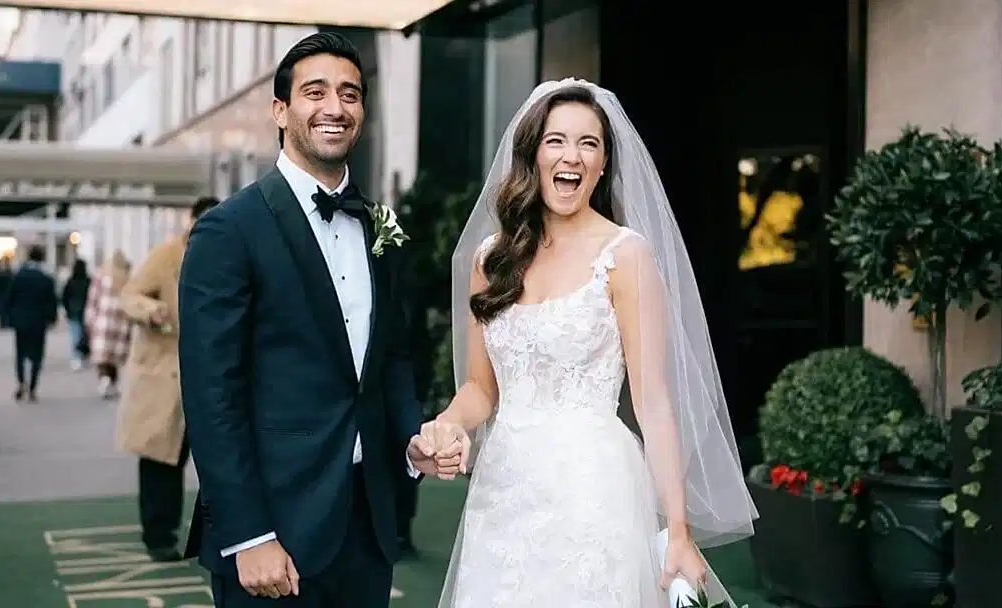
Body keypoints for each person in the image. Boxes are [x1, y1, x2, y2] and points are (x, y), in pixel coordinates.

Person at [422, 80, 760, 607]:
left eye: (589, 143)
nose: (572, 156)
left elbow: (652, 400)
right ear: (532, 154)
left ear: (603, 165)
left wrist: (677, 529)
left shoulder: (626, 255)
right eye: (556, 140)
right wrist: (447, 424)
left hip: (593, 491)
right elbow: (479, 389)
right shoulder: (492, 260)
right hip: (503, 492)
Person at [177, 32, 458, 608]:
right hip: (272, 532)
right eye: (316, 92)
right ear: (281, 111)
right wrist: (247, 534)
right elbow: (211, 397)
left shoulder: (381, 225)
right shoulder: (228, 231)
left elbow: (393, 359)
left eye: (350, 94)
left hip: (367, 527)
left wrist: (411, 442)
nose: (335, 107)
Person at [115, 195, 220, 562]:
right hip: (166, 375)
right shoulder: (166, 255)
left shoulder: (227, 255)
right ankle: (159, 535)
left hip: (212, 378)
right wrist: (152, 310)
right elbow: (129, 295)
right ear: (189, 221)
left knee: (218, 462)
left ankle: (217, 538)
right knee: (162, 461)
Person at [0, 245, 58, 402]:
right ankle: (32, 388)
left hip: (20, 321)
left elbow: (8, 298)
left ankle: (20, 383)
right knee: (37, 356)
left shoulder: (18, 276)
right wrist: (52, 318)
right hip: (39, 322)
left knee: (20, 354)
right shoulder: (46, 279)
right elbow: (52, 301)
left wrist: (7, 316)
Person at [84, 250, 132, 400]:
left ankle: (105, 380)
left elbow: (93, 299)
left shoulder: (101, 275)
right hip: (121, 322)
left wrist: (89, 319)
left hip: (103, 321)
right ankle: (112, 382)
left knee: (102, 356)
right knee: (114, 357)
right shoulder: (127, 277)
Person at [60, 259, 91, 371]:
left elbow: (64, 296)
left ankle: (76, 357)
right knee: (85, 335)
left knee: (75, 335)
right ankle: (84, 354)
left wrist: (67, 308)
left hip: (73, 312)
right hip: (86, 311)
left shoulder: (71, 281)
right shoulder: (88, 281)